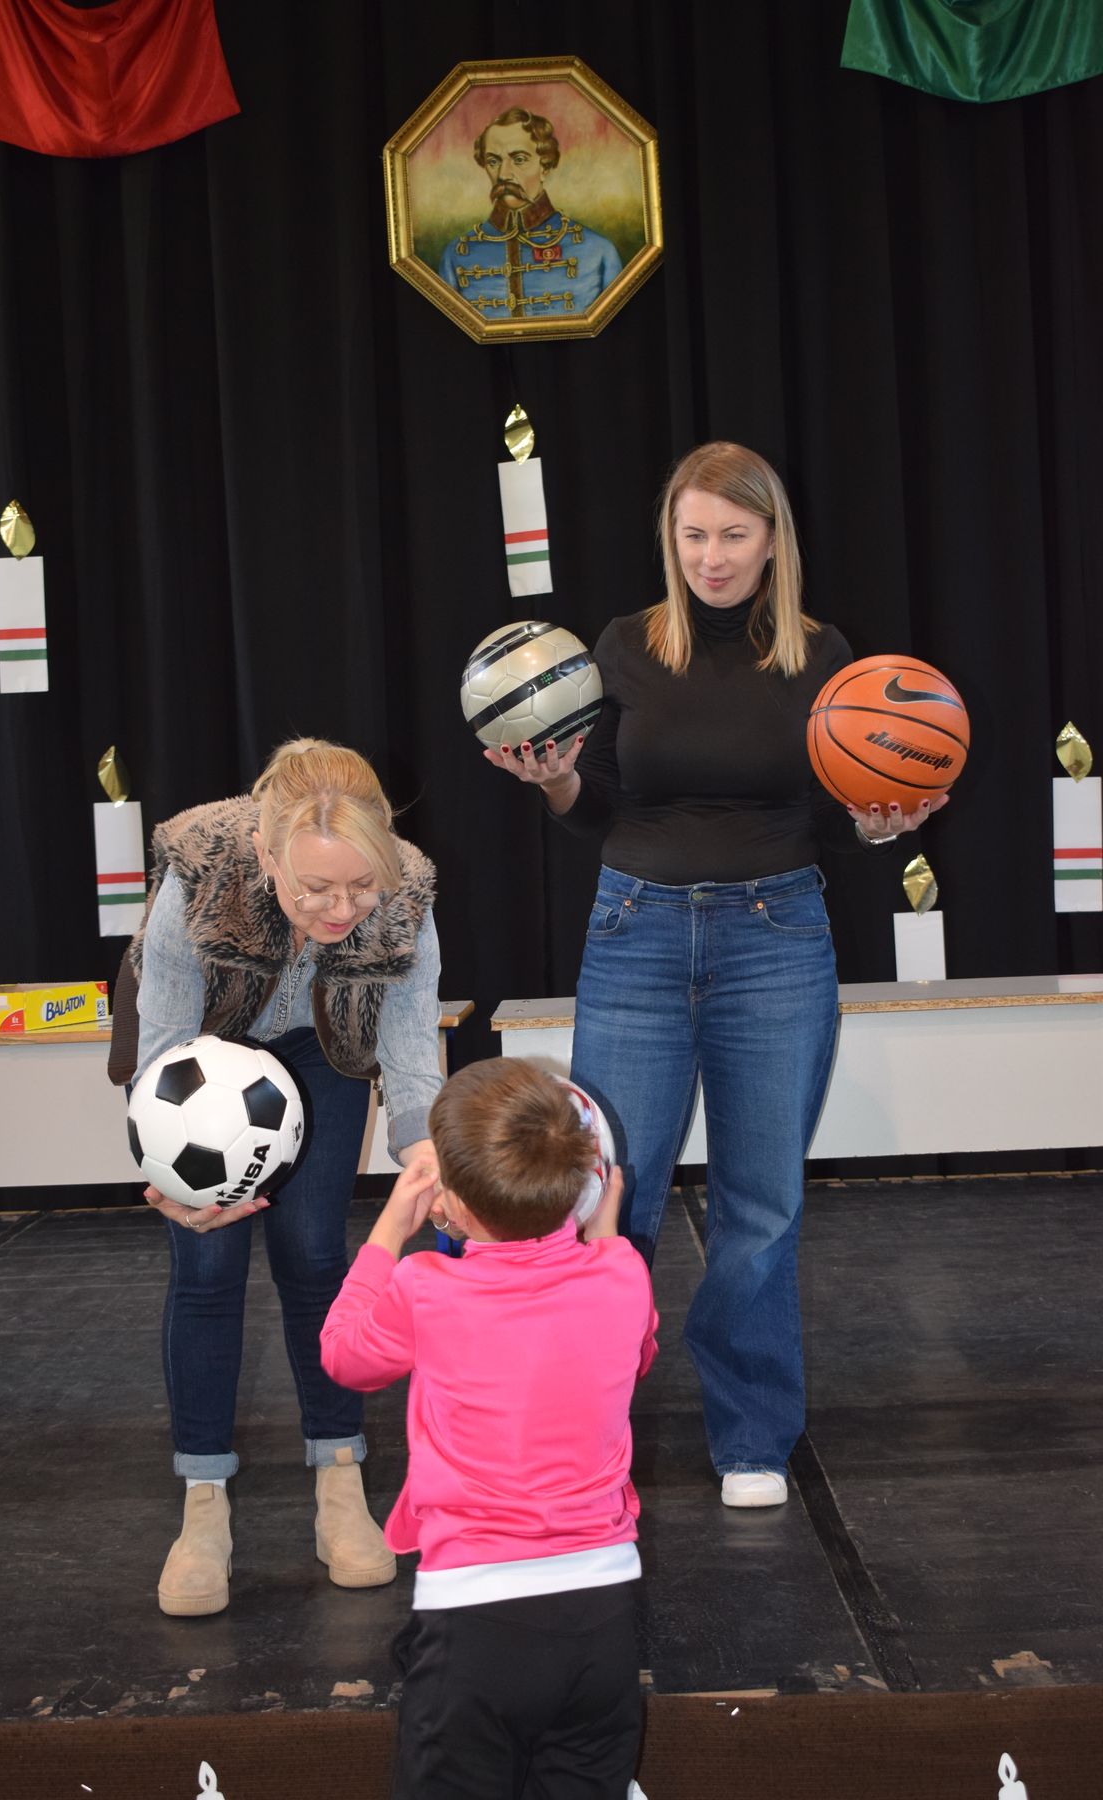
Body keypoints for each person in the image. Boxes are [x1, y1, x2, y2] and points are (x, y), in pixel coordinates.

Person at [485, 442, 946, 1509]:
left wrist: (881, 827)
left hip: (775, 939)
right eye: (694, 535)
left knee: (762, 1204)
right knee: (611, 1193)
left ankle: (751, 1439)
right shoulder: (625, 646)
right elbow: (599, 807)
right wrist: (555, 783)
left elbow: (832, 815)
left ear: (773, 538)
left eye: (734, 534)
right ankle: (588, 1432)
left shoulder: (823, 654)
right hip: (636, 934)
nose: (713, 556)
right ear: (671, 538)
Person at [112, 737, 443, 1614]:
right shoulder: (199, 876)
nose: (342, 908)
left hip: (322, 1051)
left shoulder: (406, 892)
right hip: (206, 1056)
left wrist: (426, 1158)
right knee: (207, 1264)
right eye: (315, 888)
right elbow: (164, 1051)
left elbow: (413, 1055)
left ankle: (339, 1479)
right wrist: (170, 1178)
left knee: (313, 1253)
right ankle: (203, 1503)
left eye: (361, 885)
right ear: (266, 855)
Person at [321, 1057, 658, 1800]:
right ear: (589, 1179)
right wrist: (606, 1237)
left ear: (454, 1202)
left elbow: (344, 1355)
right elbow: (632, 1357)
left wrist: (389, 1230)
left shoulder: (424, 1287)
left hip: (475, 1623)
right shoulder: (624, 1275)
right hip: (602, 1618)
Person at [438, 106, 622, 322]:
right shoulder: (457, 255)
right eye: (493, 161)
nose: (503, 175)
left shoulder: (599, 252)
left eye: (519, 159)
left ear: (545, 166)